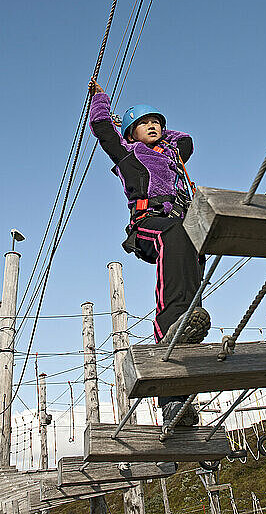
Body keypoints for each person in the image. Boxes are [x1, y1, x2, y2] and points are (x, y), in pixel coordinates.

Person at [88, 78, 210, 426]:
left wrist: (167, 141)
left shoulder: (171, 160)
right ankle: (170, 330)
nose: (152, 125)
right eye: (143, 123)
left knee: (189, 292)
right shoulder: (130, 154)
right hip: (150, 224)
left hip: (181, 229)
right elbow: (102, 128)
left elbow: (185, 142)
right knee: (174, 243)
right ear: (130, 132)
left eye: (157, 121)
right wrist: (101, 99)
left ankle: (177, 401)